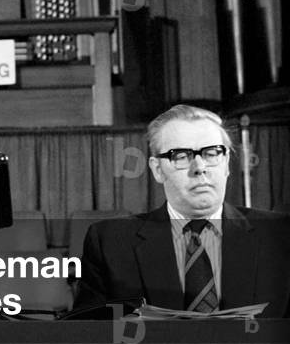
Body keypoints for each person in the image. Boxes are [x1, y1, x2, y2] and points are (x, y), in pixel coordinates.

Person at [73, 104, 290, 318]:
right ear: (157, 170)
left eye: (212, 153)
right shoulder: (110, 243)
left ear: (225, 164)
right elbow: (89, 338)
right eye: (181, 156)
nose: (199, 167)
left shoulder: (280, 235)